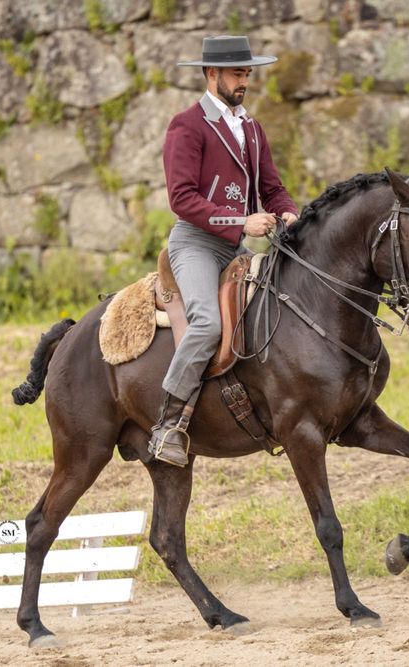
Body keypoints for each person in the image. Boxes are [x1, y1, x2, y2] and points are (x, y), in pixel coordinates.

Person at [149, 35, 300, 467]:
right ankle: (167, 425)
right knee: (207, 324)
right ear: (211, 73)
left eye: (247, 73)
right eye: (237, 73)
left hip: (235, 248)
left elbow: (271, 188)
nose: (244, 81)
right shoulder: (186, 126)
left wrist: (289, 213)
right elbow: (181, 199)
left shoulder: (251, 128)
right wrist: (241, 222)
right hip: (195, 245)